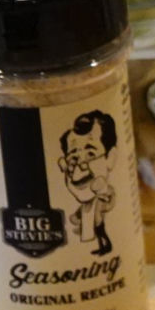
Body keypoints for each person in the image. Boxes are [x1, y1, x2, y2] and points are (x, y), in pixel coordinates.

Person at [58, 109, 119, 257]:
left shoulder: (103, 188)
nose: (80, 163)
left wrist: (102, 193)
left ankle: (105, 247)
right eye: (72, 156)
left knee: (101, 231)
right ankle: (103, 247)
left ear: (110, 157)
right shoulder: (83, 197)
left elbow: (108, 200)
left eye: (90, 153)